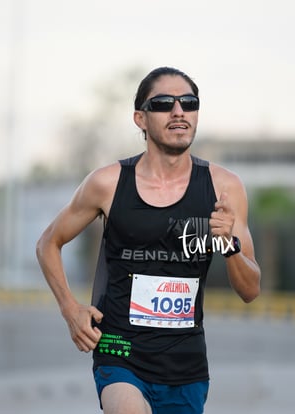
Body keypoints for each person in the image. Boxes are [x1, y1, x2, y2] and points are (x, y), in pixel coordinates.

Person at [36, 66, 261, 414]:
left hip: (185, 366)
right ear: (140, 118)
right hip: (120, 352)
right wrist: (70, 308)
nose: (178, 111)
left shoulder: (224, 188)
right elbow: (48, 242)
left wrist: (229, 245)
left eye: (188, 102)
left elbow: (250, 290)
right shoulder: (108, 183)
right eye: (163, 104)